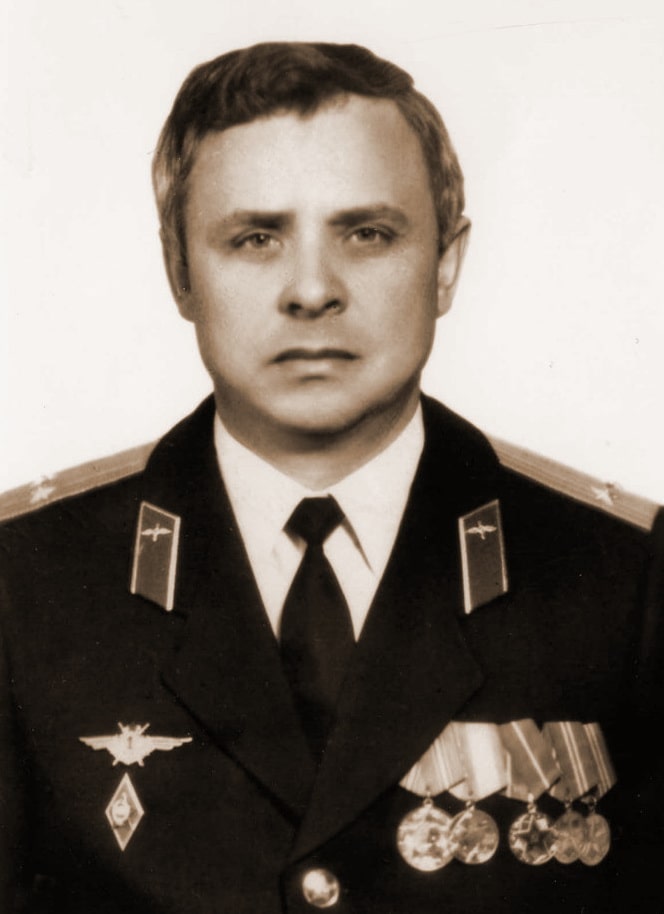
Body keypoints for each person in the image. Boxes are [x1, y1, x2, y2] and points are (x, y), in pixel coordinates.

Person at [0, 41, 662, 914]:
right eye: (256, 238)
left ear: (446, 263)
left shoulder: (625, 580)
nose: (312, 290)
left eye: (368, 233)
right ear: (179, 271)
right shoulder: (24, 583)